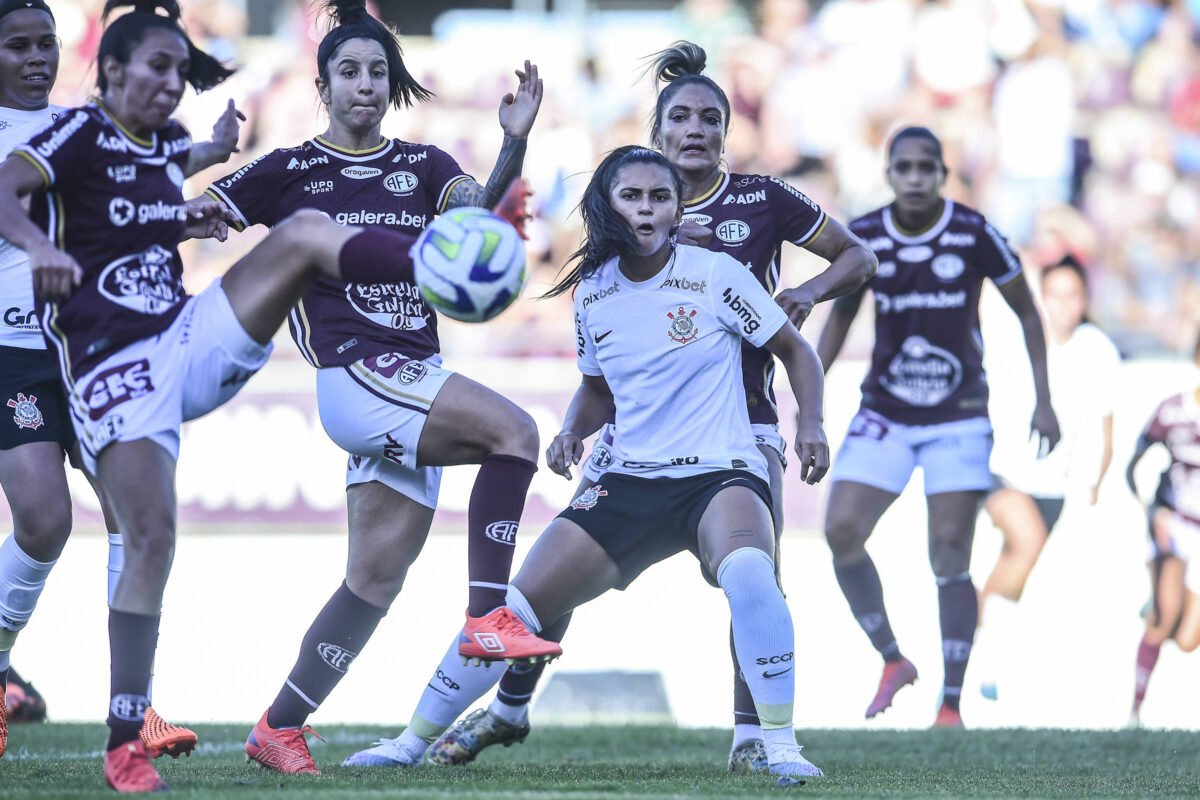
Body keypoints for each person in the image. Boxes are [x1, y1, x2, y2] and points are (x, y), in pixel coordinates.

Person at [0, 0, 521, 789]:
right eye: (157, 69)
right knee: (144, 537)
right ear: (109, 73)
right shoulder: (82, 135)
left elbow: (152, 209)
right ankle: (124, 736)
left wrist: (200, 170)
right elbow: (60, 197)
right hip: (150, 368)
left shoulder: (171, 145)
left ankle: (271, 725)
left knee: (363, 573)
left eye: (179, 71)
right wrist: (48, 244)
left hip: (187, 343)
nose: (170, 84)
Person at [379, 39, 876, 775]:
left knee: (753, 575)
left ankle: (762, 739)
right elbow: (597, 382)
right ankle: (451, 727)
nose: (697, 130)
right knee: (531, 594)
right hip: (635, 444)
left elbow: (847, 272)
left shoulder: (751, 215)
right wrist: (576, 430)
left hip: (739, 433)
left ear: (725, 132)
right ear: (655, 136)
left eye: (712, 117)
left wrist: (804, 308)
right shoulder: (603, 276)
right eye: (681, 117)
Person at [202, 0, 557, 775]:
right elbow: (206, 213)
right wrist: (181, 175)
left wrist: (515, 141)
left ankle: (279, 727)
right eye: (349, 72)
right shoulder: (288, 170)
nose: (364, 84)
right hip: (359, 376)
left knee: (372, 580)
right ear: (323, 85)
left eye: (377, 72)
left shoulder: (424, 166)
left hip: (413, 379)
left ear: (392, 85)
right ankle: (484, 615)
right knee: (517, 434)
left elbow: (481, 218)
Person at [0, 0, 240, 760]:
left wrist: (189, 202)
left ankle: (132, 709)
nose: (37, 57)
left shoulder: (82, 125)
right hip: (15, 352)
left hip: (98, 346)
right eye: (17, 46)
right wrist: (36, 246)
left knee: (138, 527)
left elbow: (128, 198)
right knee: (43, 521)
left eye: (46, 43)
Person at [815, 126, 1060, 727]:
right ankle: (893, 659)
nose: (917, 177)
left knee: (949, 552)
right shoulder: (865, 235)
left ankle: (950, 703)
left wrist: (1043, 400)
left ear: (943, 176)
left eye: (928, 167)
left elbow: (1029, 312)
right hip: (886, 411)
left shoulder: (974, 232)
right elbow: (841, 317)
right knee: (841, 530)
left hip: (958, 414)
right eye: (906, 167)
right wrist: (810, 404)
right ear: (889, 174)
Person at [975, 255, 1120, 699]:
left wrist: (1094, 481)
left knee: (1015, 575)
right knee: (1027, 539)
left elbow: (1104, 425)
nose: (1061, 306)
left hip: (1053, 484)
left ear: (1084, 300)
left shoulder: (1097, 349)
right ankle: (970, 637)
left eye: (1070, 295)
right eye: (1053, 295)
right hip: (1000, 469)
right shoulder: (1015, 335)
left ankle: (977, 647)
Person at [1127, 334, 1200, 726]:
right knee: (1164, 614)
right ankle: (1134, 712)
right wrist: (1153, 512)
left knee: (1188, 639)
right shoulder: (1172, 412)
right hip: (1175, 525)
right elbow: (1133, 467)